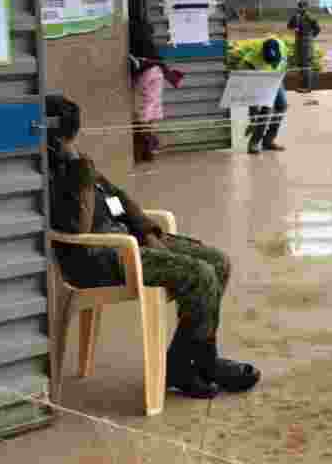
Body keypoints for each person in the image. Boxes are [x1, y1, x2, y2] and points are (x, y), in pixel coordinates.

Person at [45, 95, 260, 399]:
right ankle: (196, 364)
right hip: (99, 259)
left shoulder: (79, 164)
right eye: (66, 134)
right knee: (199, 274)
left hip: (127, 244)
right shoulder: (51, 174)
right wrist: (76, 166)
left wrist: (147, 231)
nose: (72, 139)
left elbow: (115, 198)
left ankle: (190, 361)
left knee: (217, 261)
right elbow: (77, 227)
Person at [128, 19, 182, 163]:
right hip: (156, 74)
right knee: (150, 109)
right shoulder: (149, 44)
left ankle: (148, 143)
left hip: (144, 76)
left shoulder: (132, 43)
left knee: (142, 111)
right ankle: (149, 145)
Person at [228, 35, 289, 154]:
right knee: (266, 110)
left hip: (275, 76)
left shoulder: (281, 46)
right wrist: (253, 115)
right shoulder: (251, 59)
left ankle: (268, 141)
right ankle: (254, 143)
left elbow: (284, 64)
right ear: (262, 54)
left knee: (282, 105)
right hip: (257, 77)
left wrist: (278, 78)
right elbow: (248, 86)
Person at [288, 1, 321, 96]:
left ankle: (307, 87)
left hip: (306, 42)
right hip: (298, 42)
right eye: (299, 7)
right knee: (301, 64)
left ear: (306, 7)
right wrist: (294, 21)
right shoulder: (296, 16)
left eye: (302, 7)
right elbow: (289, 26)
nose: (301, 9)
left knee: (307, 65)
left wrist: (310, 37)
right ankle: (302, 86)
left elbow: (318, 29)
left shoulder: (310, 17)